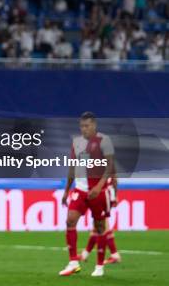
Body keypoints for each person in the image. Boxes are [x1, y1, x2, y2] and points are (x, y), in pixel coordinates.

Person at [59, 112, 115, 277]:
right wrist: (66, 190)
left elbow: (110, 167)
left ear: (94, 125)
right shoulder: (76, 142)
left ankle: (99, 266)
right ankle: (73, 263)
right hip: (81, 190)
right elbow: (72, 168)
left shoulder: (104, 141)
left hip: (98, 192)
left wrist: (99, 186)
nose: (84, 129)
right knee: (70, 220)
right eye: (82, 126)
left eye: (87, 126)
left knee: (99, 227)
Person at [80, 177, 121, 265]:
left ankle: (114, 254)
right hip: (106, 192)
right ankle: (85, 254)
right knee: (98, 226)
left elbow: (114, 179)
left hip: (105, 193)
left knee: (102, 225)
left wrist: (115, 195)